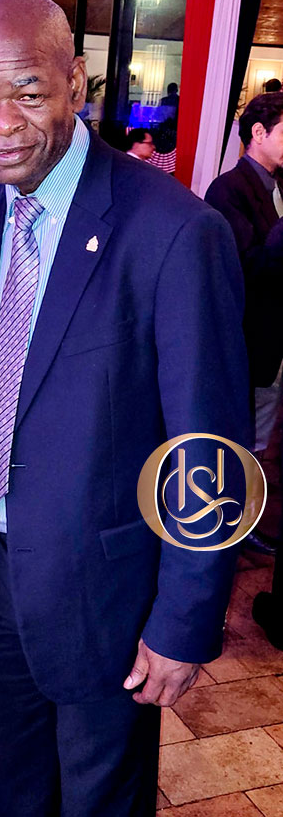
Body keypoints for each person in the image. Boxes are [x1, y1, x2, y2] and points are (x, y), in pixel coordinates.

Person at [0, 0, 249, 816]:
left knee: (101, 800)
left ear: (76, 83)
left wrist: (185, 620)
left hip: (108, 593)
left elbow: (212, 448)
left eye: (27, 92)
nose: (1, 125)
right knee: (14, 788)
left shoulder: (174, 231)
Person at [206, 92, 283, 641]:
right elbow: (245, 269)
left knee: (263, 437)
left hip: (276, 340)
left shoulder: (279, 185)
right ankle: (226, 534)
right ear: (258, 132)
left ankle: (248, 521)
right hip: (251, 339)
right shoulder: (228, 189)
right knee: (240, 441)